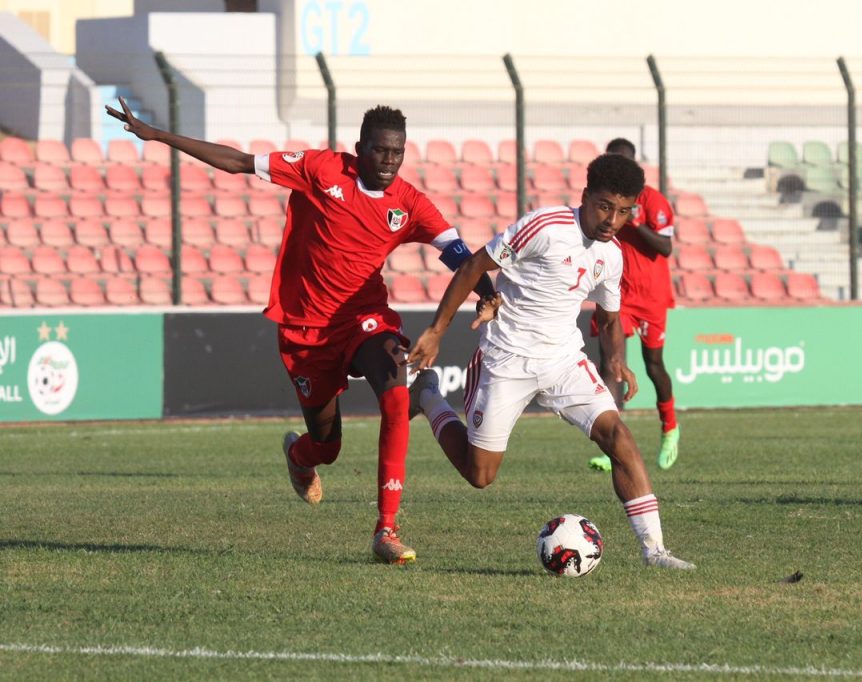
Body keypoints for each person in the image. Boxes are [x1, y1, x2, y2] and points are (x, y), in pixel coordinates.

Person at [106, 98, 495, 564]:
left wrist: (487, 291)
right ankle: (300, 457)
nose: (389, 162)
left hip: (363, 317)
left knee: (394, 393)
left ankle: (386, 530)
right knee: (326, 447)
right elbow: (238, 163)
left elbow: (458, 253)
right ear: (359, 148)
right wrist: (158, 135)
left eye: (397, 152)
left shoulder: (408, 202)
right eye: (379, 151)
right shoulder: (321, 169)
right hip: (306, 329)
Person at [405, 152, 695, 570]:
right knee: (480, 475)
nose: (613, 220)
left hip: (562, 360)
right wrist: (436, 331)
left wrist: (616, 361)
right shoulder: (545, 226)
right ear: (585, 196)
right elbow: (472, 266)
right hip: (506, 358)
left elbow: (609, 318)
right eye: (605, 206)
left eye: (624, 211)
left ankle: (655, 550)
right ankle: (430, 397)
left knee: (620, 438)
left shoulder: (612, 256)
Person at [587, 138, 679, 473]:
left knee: (654, 365)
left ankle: (669, 427)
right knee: (611, 364)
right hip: (617, 293)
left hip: (651, 296)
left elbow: (665, 248)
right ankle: (612, 443)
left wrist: (635, 222)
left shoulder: (652, 201)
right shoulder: (603, 204)